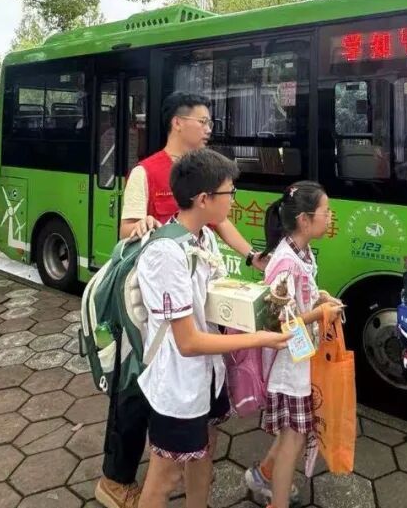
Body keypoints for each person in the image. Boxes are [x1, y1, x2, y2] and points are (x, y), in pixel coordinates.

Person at [97, 91, 268, 508]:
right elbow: (127, 231)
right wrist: (149, 226)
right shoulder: (147, 172)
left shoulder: (206, 187)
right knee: (135, 401)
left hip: (190, 336)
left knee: (191, 439)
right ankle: (115, 479)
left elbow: (219, 225)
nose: (209, 129)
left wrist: (251, 257)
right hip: (152, 315)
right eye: (203, 121)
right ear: (178, 122)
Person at [135, 149, 288, 508]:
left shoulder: (203, 238)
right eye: (229, 192)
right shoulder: (166, 254)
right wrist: (263, 338)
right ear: (203, 199)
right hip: (178, 384)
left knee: (205, 452)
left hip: (207, 375)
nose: (234, 201)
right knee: (166, 475)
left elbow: (219, 302)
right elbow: (187, 342)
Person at [243, 181, 343, 508]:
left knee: (295, 431)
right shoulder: (286, 262)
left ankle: (264, 475)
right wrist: (320, 312)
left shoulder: (299, 251)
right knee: (293, 439)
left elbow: (298, 301)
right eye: (326, 212)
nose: (330, 218)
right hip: (288, 368)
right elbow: (282, 325)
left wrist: (320, 297)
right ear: (304, 219)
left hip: (299, 358)